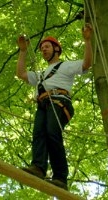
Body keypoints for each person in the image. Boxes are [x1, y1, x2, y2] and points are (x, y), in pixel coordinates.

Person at [16, 23, 93, 190]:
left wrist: (88, 41)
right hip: (43, 105)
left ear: (56, 49)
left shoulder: (65, 66)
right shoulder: (41, 74)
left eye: (47, 46)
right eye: (42, 48)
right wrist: (23, 51)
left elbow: (87, 63)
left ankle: (60, 177)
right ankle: (38, 167)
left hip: (59, 102)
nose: (43, 50)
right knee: (39, 134)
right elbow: (21, 73)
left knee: (52, 133)